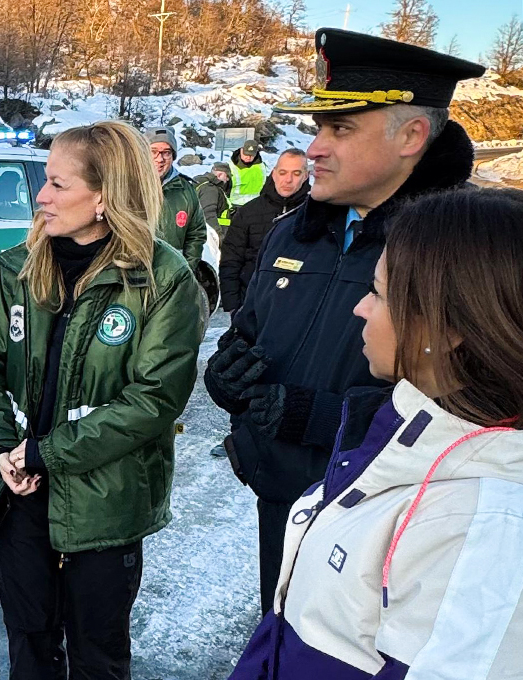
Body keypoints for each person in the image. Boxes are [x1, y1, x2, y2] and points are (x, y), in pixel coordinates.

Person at [204, 29, 485, 615]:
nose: (315, 149)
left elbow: (481, 410)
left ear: (411, 136)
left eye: (341, 129)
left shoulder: (466, 250)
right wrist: (228, 374)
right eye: (317, 130)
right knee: (281, 649)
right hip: (283, 495)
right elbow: (252, 330)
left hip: (392, 522)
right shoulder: (293, 231)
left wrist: (325, 418)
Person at [222, 188, 523, 680]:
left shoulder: (485, 524)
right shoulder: (401, 435)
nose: (360, 308)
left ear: (447, 327)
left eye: (379, 293)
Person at [0, 122, 204, 680]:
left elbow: (153, 402)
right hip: (19, 497)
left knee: (99, 662)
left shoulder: (162, 280)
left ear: (104, 196)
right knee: (30, 651)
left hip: (104, 506)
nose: (40, 196)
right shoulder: (18, 265)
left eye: (56, 184)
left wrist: (47, 452)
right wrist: (0, 450)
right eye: (44, 181)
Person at [218, 148, 310, 315]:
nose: (288, 180)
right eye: (283, 172)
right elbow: (231, 260)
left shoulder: (316, 213)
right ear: (274, 174)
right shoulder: (248, 212)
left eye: (296, 173)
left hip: (298, 307)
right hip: (251, 304)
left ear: (306, 176)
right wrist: (232, 306)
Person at [144, 126, 207, 271]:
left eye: (166, 153)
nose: (160, 159)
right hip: (132, 277)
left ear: (173, 156)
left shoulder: (186, 190)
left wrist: (186, 270)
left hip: (172, 276)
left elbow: (196, 234)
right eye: (153, 152)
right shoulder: (127, 186)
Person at [194, 161, 232, 241]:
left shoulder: (202, 183)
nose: (228, 179)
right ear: (220, 174)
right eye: (227, 176)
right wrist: (218, 236)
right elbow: (208, 214)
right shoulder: (210, 189)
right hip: (212, 236)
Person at [229, 139, 265, 206]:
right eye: (246, 154)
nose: (248, 157)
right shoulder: (230, 167)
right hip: (235, 206)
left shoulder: (261, 166)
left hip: (256, 205)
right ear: (241, 150)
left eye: (251, 155)